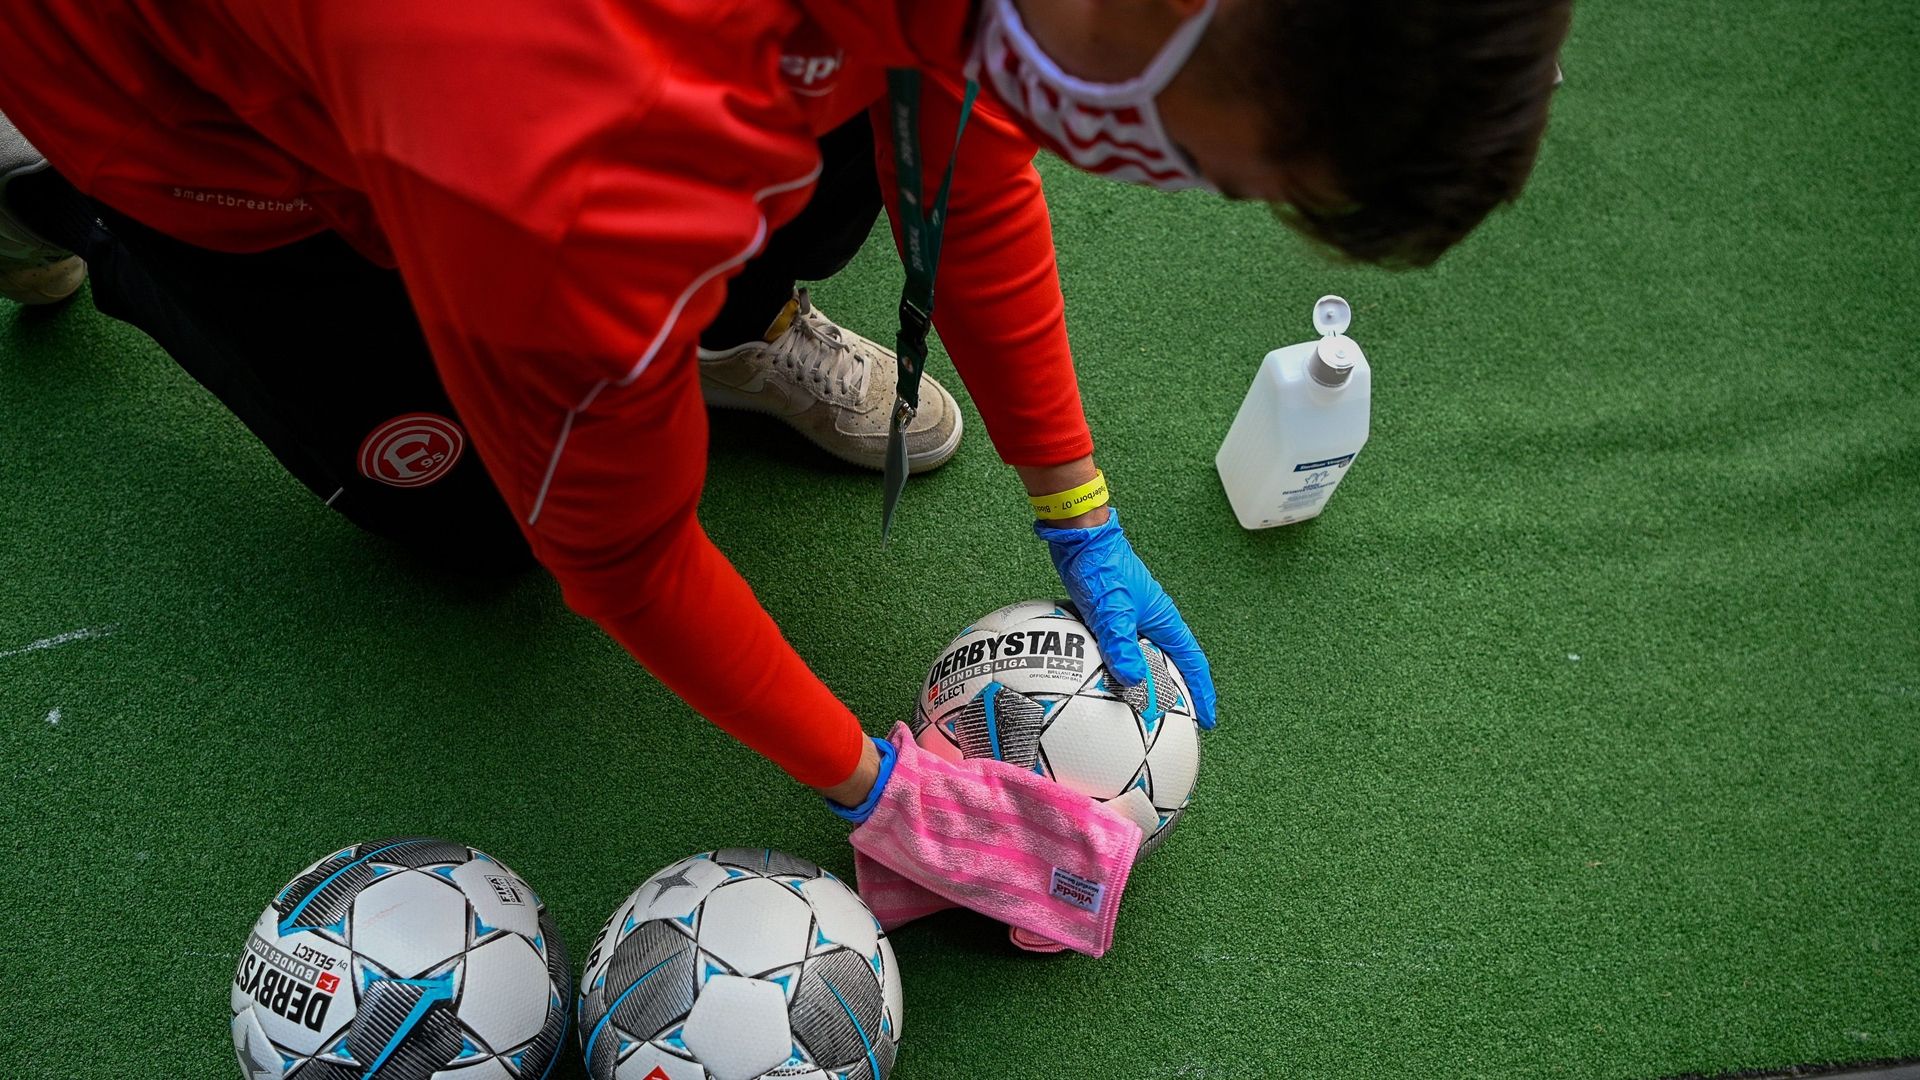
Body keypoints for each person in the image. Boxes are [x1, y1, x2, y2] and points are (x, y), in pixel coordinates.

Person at [0, 0, 1570, 954]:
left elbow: (959, 117)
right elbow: (616, 555)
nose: (1189, 190)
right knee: (484, 530)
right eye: (1222, 172)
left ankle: (704, 324)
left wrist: (1073, 498)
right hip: (190, 99)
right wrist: (878, 788)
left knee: (824, 165)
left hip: (521, 129)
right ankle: (57, 204)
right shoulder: (578, 162)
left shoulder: (1046, 23)